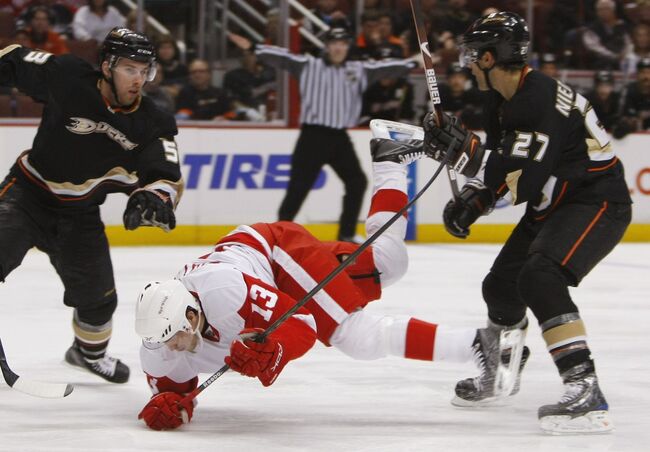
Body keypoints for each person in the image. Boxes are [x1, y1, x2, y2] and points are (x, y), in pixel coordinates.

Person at [133, 134, 520, 431]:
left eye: (176, 336)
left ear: (191, 313)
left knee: (354, 335)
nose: (174, 346)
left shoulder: (224, 292)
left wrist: (273, 350)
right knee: (388, 263)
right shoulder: (159, 348)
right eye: (165, 342)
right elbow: (176, 395)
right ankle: (392, 157)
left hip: (274, 253)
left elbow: (301, 325)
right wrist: (174, 410)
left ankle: (482, 347)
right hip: (261, 269)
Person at [422, 12, 631, 434]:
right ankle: (503, 370)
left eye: (469, 55)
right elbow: (506, 166)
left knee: (540, 277)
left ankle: (584, 387)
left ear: (487, 58)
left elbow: (523, 179)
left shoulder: (537, 100)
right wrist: (476, 196)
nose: (463, 62)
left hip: (595, 201)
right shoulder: (504, 98)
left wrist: (466, 157)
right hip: (557, 201)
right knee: (499, 287)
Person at [0, 27, 184, 384]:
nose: (139, 79)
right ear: (106, 66)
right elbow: (12, 60)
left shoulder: (153, 121)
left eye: (145, 70)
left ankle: (87, 354)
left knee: (99, 301)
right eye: (130, 68)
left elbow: (167, 175)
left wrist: (154, 195)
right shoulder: (67, 75)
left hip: (79, 213)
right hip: (28, 194)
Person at [229, 26, 416, 243]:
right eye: (334, 43)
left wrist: (412, 63)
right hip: (313, 137)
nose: (338, 48)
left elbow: (387, 68)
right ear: (327, 47)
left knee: (356, 182)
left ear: (347, 47)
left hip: (339, 138)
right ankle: (278, 236)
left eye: (343, 43)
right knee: (298, 188)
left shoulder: (359, 69)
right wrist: (254, 48)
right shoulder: (310, 65)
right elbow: (282, 58)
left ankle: (345, 235)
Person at [613, 57, 650, 138]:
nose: (646, 76)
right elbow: (622, 117)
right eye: (643, 72)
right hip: (633, 136)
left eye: (649, 72)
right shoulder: (628, 91)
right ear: (637, 74)